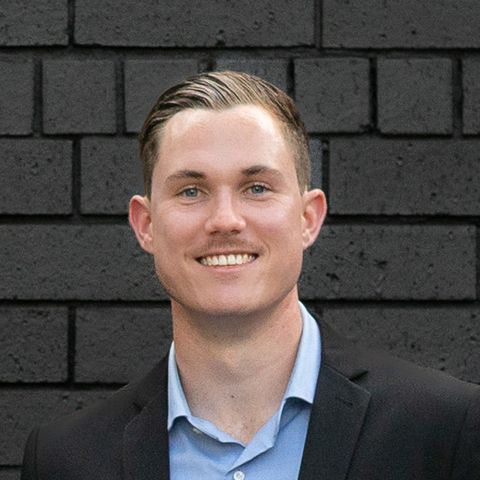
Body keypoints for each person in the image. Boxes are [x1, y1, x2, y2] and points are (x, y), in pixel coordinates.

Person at [21, 71, 479, 479]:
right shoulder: (66, 460)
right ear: (146, 225)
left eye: (256, 188)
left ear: (308, 218)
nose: (225, 220)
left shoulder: (446, 429)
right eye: (191, 191)